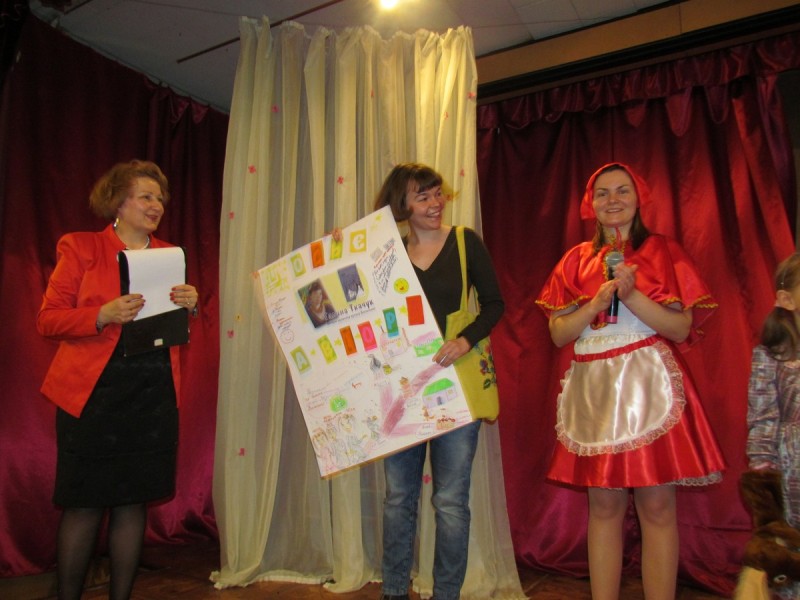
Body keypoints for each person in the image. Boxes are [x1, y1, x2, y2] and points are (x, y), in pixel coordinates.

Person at [535, 162, 725, 600]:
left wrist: (632, 294)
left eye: (622, 190)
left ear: (639, 198)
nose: (612, 200)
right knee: (603, 504)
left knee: (656, 504)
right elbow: (559, 334)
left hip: (644, 382)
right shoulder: (574, 260)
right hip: (594, 388)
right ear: (591, 203)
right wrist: (594, 304)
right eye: (602, 192)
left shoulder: (662, 250)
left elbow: (680, 328)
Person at [37, 160, 199, 600]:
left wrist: (190, 304)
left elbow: (169, 324)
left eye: (160, 198)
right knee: (84, 504)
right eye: (146, 196)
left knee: (133, 502)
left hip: (152, 393)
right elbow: (48, 319)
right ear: (118, 202)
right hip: (94, 395)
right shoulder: (81, 247)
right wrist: (100, 314)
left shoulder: (170, 254)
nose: (156, 205)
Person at [372, 163, 504, 600]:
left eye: (437, 194)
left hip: (456, 389)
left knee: (450, 501)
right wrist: (339, 251)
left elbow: (494, 304)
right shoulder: (385, 252)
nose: (435, 203)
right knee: (398, 498)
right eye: (423, 196)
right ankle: (394, 590)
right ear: (402, 204)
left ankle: (446, 594)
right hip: (402, 390)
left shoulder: (465, 242)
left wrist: (465, 340)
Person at [747, 252, 800, 600]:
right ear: (786, 299)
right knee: (791, 557)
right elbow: (762, 418)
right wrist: (764, 480)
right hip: (792, 476)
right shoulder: (771, 356)